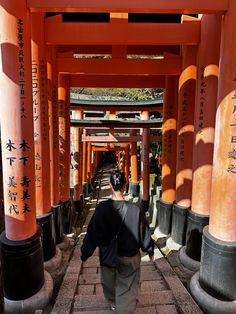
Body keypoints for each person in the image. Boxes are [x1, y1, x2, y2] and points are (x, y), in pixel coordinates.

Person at [80, 170, 154, 314]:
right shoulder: (135, 209)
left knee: (108, 281)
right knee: (127, 285)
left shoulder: (101, 208)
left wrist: (85, 253)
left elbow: (92, 233)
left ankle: (113, 301)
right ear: (125, 185)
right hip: (129, 256)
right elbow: (144, 232)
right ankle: (123, 306)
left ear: (110, 185)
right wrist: (149, 249)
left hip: (108, 255)